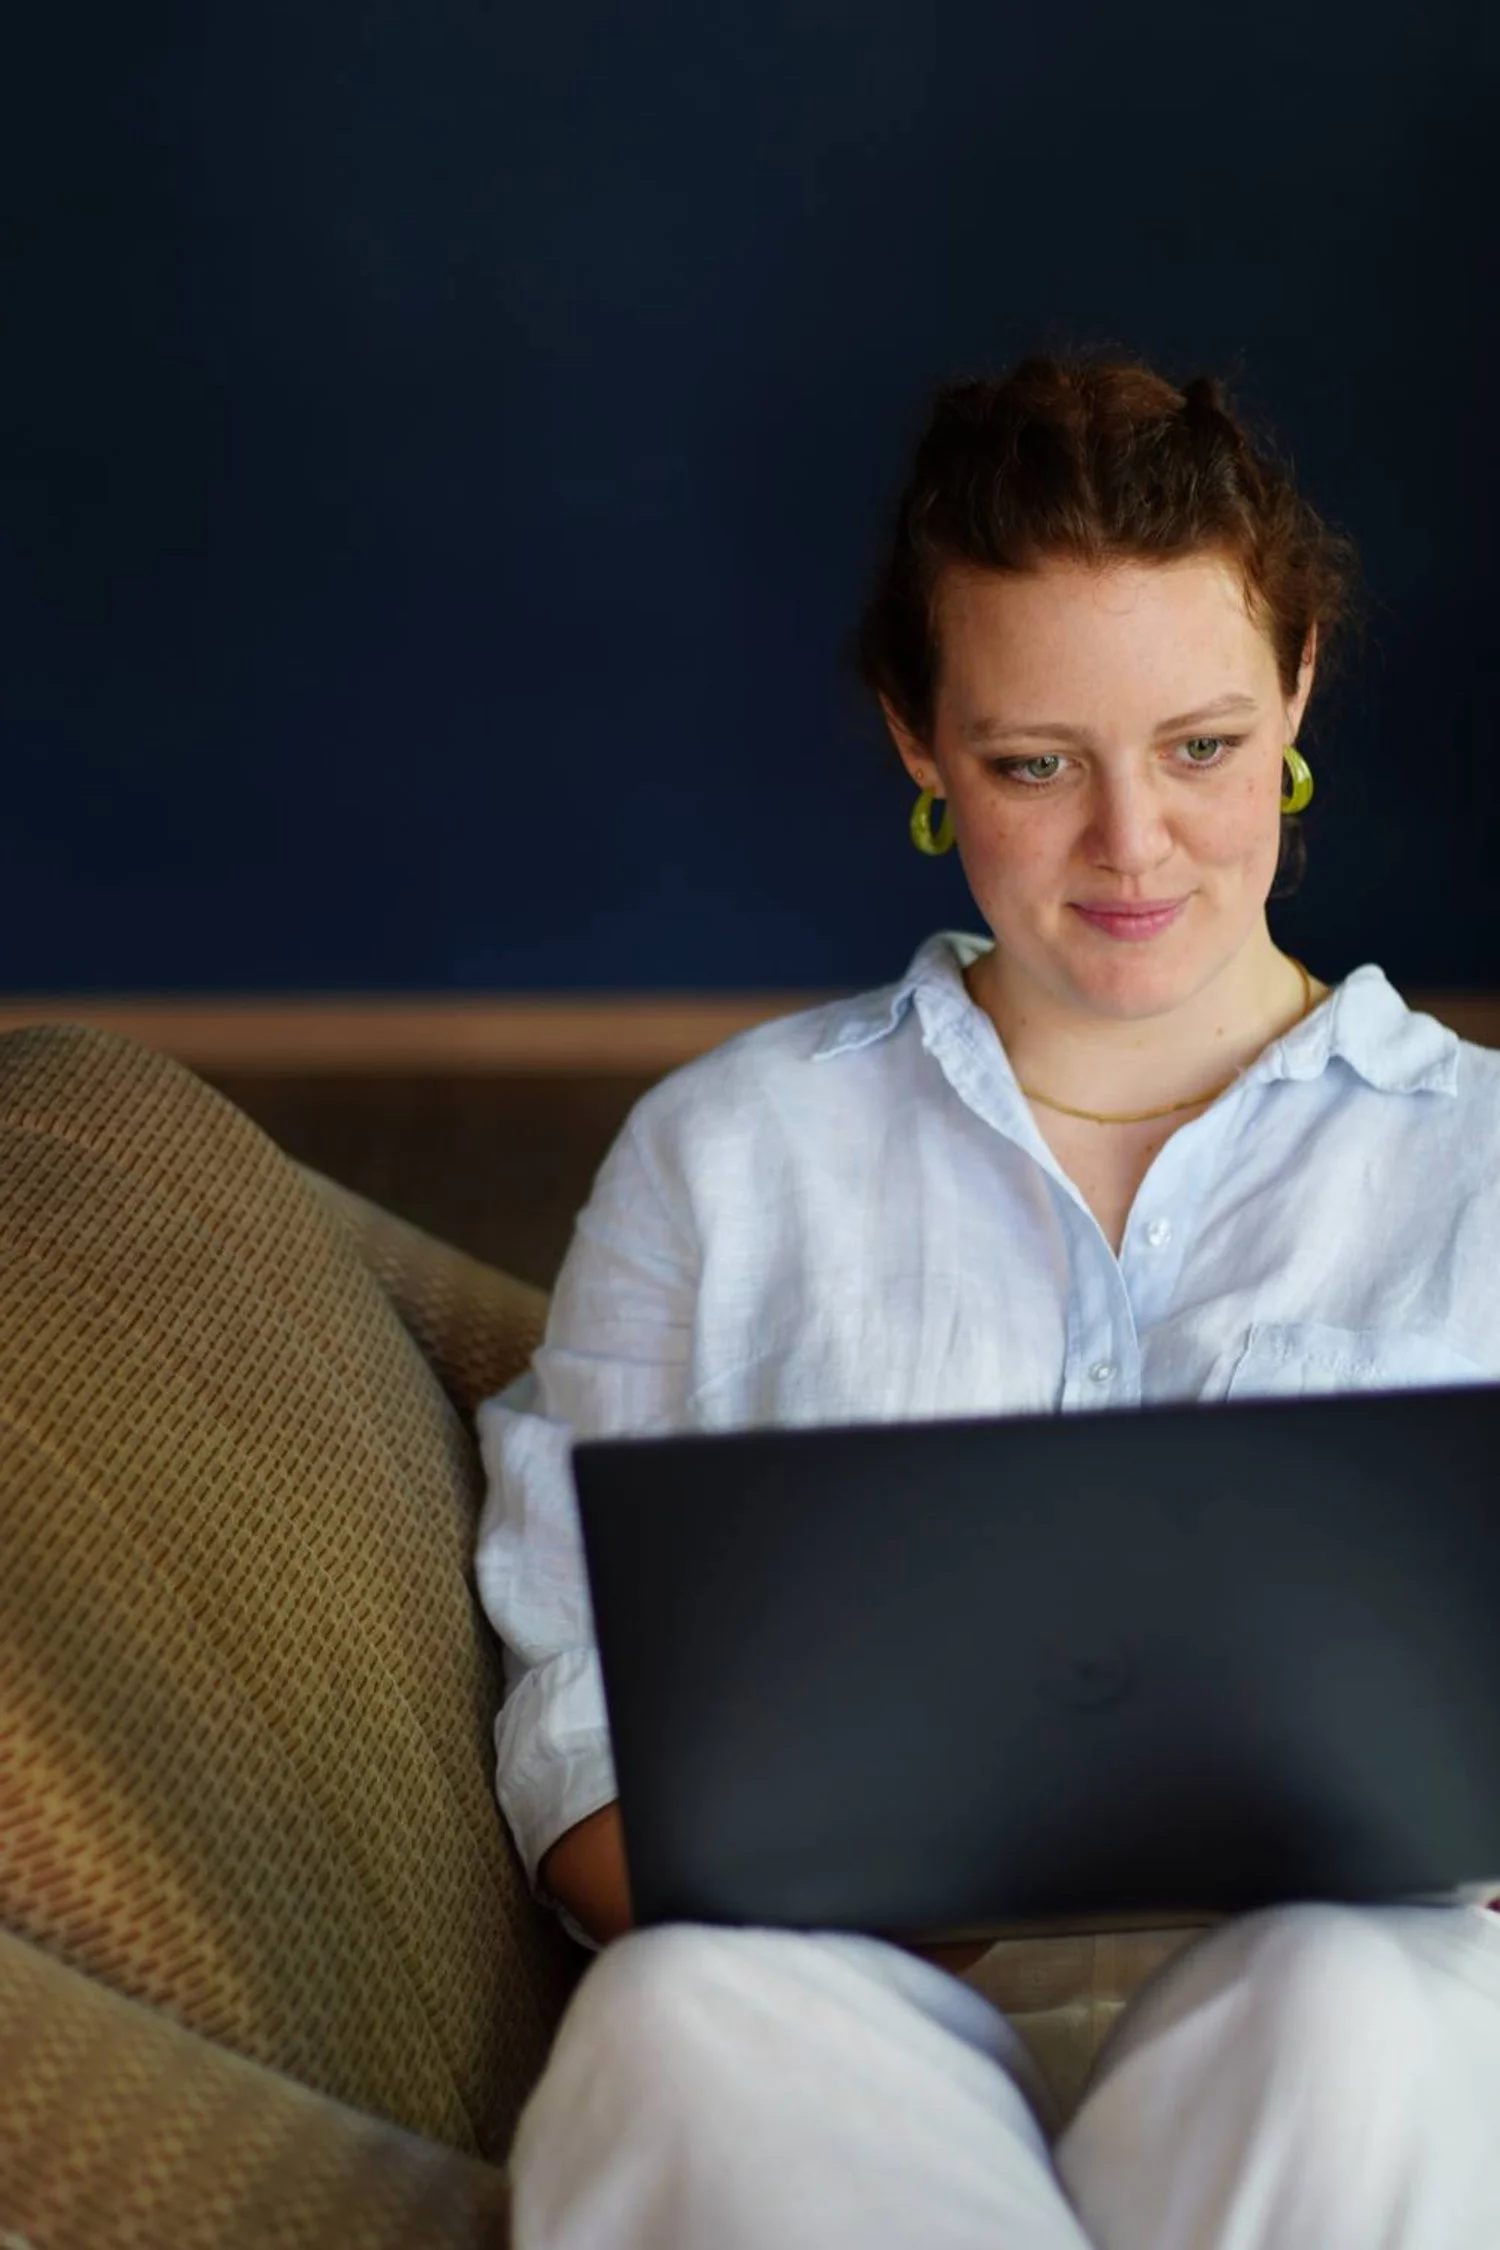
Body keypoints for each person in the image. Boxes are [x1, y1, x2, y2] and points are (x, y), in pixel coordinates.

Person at [475, 356, 1500, 2248]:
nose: (1134, 846)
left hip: (1360, 2061)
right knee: (681, 2016)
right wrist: (926, 1884)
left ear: (1297, 693)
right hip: (855, 2041)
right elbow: (582, 1735)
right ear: (919, 741)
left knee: (1362, 2006)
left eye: (1199, 746)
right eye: (1038, 762)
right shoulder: (726, 1163)